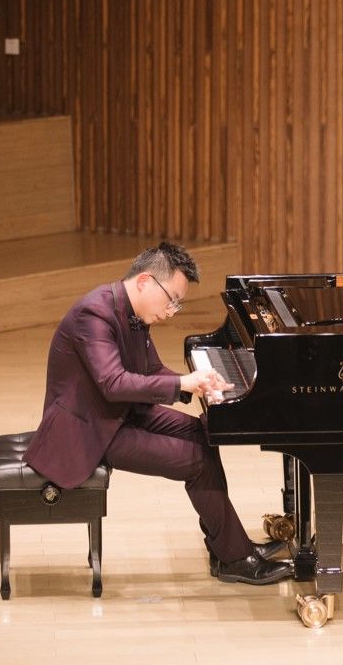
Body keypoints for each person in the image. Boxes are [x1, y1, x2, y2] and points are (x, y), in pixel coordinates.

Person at [23, 241, 292, 585]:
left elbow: (150, 369)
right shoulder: (94, 314)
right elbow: (113, 383)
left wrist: (196, 384)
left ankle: (227, 548)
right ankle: (235, 558)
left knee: (204, 432)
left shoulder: (132, 312)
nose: (171, 312)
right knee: (196, 461)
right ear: (144, 281)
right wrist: (181, 382)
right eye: (171, 300)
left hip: (119, 414)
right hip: (88, 431)